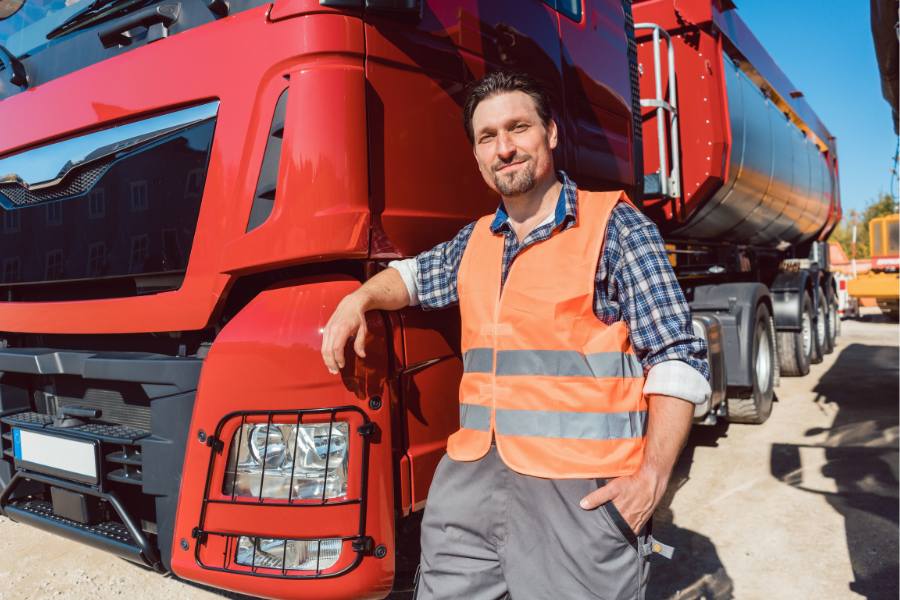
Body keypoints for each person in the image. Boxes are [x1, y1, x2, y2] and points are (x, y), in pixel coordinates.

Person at [321, 71, 711, 600]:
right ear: (477, 156)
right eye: (487, 137)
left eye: (518, 128)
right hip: (471, 485)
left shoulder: (616, 227)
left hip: (578, 497)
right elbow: (412, 277)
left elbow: (677, 357)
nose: (504, 148)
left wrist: (652, 481)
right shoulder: (476, 239)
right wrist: (358, 299)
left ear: (550, 133)